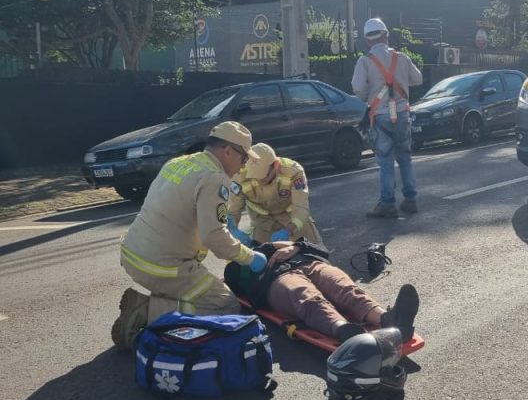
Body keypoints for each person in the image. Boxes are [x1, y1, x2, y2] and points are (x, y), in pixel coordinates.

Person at [111, 122, 268, 350]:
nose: (243, 167)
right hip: (163, 267)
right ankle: (147, 311)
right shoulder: (214, 178)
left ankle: (161, 302)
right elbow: (213, 237)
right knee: (226, 306)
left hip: (133, 254)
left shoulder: (178, 163)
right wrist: (249, 257)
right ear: (227, 151)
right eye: (243, 159)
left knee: (202, 292)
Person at [223, 234, 419, 344]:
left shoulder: (285, 246)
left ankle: (389, 319)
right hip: (275, 279)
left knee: (343, 287)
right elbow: (235, 282)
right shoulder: (237, 266)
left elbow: (320, 250)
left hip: (309, 265)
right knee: (304, 295)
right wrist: (253, 256)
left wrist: (294, 247)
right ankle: (345, 331)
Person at [352, 17, 423, 218]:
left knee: (385, 161)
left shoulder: (364, 61)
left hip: (381, 115)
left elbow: (358, 88)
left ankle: (387, 203)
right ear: (386, 35)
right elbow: (418, 79)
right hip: (402, 113)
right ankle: (410, 199)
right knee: (405, 158)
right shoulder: (401, 57)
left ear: (367, 40)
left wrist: (370, 98)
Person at [227, 143, 321, 244]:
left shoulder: (293, 171)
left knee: (315, 251)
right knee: (260, 255)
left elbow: (301, 207)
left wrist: (288, 230)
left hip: (292, 218)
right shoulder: (239, 175)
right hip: (262, 222)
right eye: (255, 176)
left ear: (275, 165)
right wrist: (232, 231)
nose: (260, 180)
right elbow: (233, 210)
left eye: (264, 175)